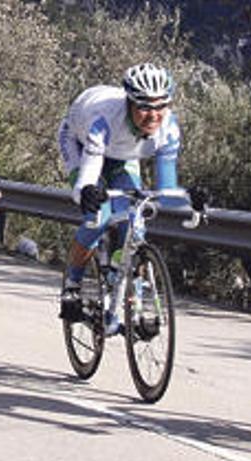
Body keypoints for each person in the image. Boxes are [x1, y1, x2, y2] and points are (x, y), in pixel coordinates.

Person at [57, 63, 207, 328]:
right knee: (98, 217)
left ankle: (131, 302)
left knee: (134, 225)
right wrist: (87, 193)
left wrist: (189, 197)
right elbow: (87, 180)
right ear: (129, 102)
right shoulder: (103, 119)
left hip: (125, 155)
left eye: (161, 106)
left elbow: (167, 191)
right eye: (144, 106)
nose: (154, 115)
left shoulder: (168, 129)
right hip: (81, 145)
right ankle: (72, 286)